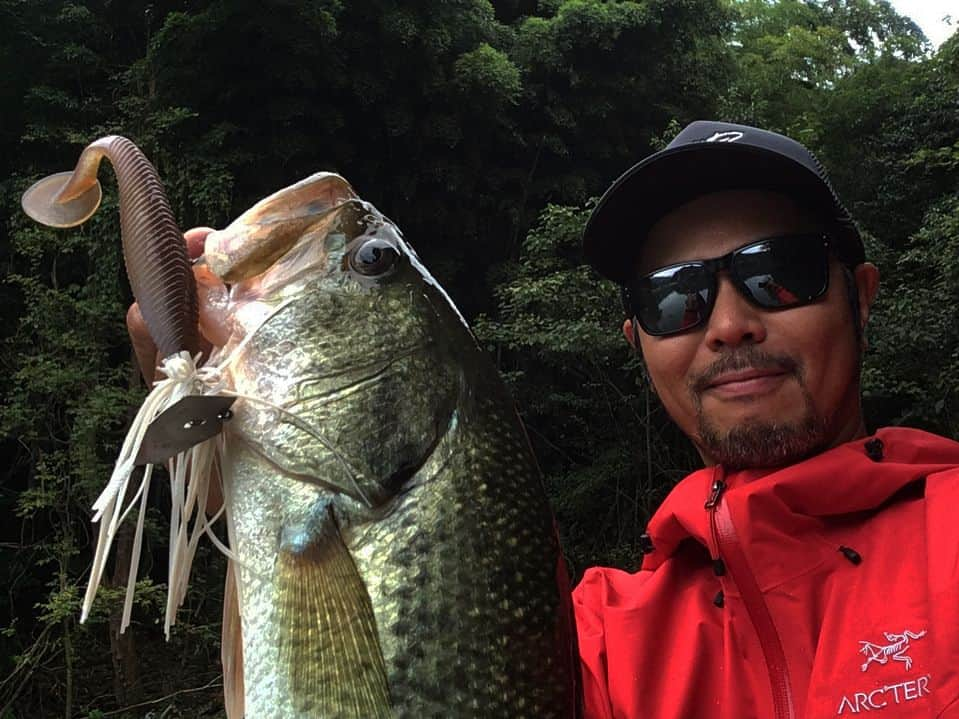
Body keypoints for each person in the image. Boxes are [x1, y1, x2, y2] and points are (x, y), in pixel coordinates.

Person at [574, 120, 959, 718]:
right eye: (674, 297)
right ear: (639, 344)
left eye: (776, 273)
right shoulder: (594, 649)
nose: (729, 326)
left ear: (859, 299)